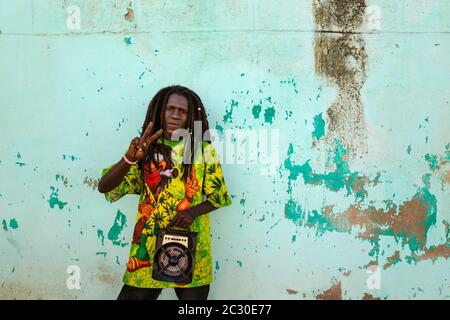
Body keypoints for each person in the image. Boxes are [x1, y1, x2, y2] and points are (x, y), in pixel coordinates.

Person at [98, 85, 232, 300]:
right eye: (170, 109)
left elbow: (219, 197)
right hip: (148, 248)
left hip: (191, 248)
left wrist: (192, 212)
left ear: (190, 117)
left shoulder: (202, 150)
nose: (175, 115)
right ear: (160, 111)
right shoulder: (145, 148)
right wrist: (130, 159)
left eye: (182, 111)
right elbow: (104, 187)